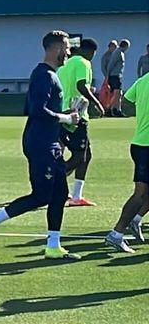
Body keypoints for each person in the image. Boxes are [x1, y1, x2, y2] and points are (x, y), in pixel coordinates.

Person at [0, 31, 82, 260]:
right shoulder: (44, 75)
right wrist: (64, 119)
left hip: (48, 141)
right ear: (56, 49)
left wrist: (67, 117)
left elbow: (40, 111)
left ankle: (53, 245)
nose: (69, 52)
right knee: (42, 195)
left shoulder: (50, 75)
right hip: (40, 143)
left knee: (60, 192)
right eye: (66, 48)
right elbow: (36, 110)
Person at [57, 39, 106, 207]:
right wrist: (96, 101)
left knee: (85, 156)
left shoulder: (66, 63)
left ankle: (76, 195)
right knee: (80, 157)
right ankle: (54, 182)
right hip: (76, 116)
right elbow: (80, 85)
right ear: (90, 51)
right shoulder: (84, 63)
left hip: (63, 113)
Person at [104, 71, 149, 252]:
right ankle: (116, 233)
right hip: (147, 146)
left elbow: (128, 104)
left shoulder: (143, 80)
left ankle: (135, 220)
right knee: (140, 193)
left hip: (140, 143)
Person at [106, 40, 130, 117]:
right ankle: (109, 109)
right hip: (114, 76)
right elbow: (111, 64)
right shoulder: (117, 53)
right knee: (116, 93)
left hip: (118, 76)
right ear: (125, 46)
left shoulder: (120, 53)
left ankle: (117, 110)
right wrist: (107, 75)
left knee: (119, 94)